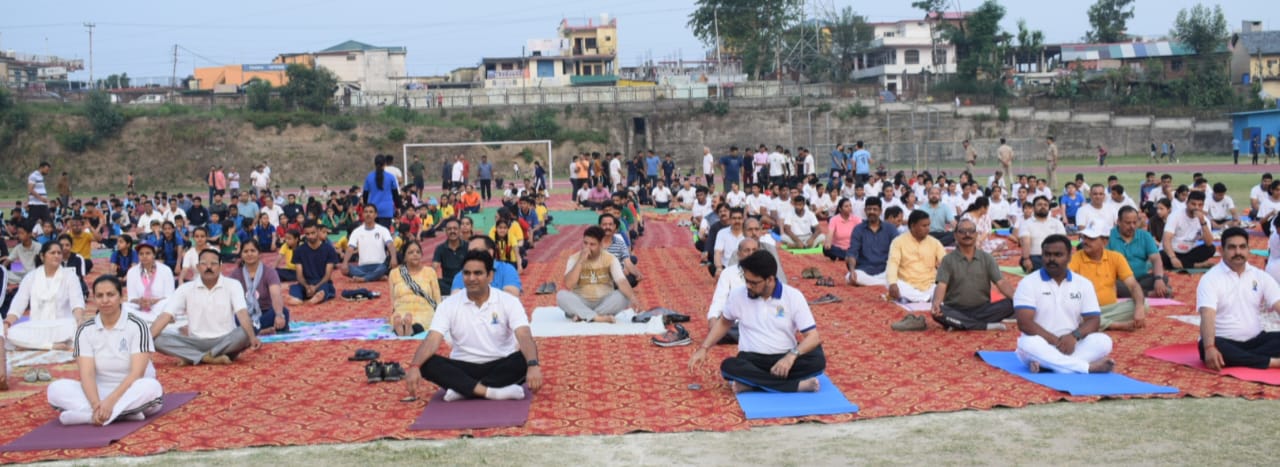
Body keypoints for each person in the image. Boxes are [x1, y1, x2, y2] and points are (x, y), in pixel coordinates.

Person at [403, 250, 543, 402]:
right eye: (467, 273)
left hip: (500, 365)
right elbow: (432, 339)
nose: (471, 278)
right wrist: (414, 366)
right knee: (427, 363)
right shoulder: (449, 304)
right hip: (463, 366)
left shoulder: (508, 301)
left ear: (490, 276)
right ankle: (492, 392)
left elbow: (523, 335)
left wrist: (533, 365)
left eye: (478, 273)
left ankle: (463, 389)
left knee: (528, 354)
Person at [689, 250, 824, 393]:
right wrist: (704, 348)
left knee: (818, 360)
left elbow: (813, 336)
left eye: (753, 282)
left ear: (770, 280)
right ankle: (795, 386)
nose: (748, 286)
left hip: (785, 357)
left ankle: (752, 384)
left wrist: (790, 357)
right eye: (746, 280)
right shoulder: (738, 295)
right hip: (752, 360)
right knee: (728, 366)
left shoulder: (793, 296)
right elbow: (724, 322)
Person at [46, 276, 164, 426]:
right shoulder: (85, 329)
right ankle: (119, 414)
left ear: (121, 297)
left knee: (151, 388)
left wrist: (110, 402)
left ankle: (88, 417)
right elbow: (86, 374)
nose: (105, 300)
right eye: (100, 296)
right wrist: (97, 404)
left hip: (132, 390)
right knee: (55, 389)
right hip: (99, 393)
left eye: (110, 294)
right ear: (94, 299)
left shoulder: (137, 326)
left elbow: (137, 373)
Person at [1013, 234, 1114, 373]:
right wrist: (1055, 341)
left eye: (1058, 255)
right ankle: (1085, 367)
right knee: (1026, 344)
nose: (1052, 259)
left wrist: (1074, 336)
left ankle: (1049, 365)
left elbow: (1094, 320)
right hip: (1041, 343)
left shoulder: (1083, 284)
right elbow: (1024, 323)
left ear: (1069, 257)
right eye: (1047, 255)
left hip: (1072, 344)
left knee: (1104, 341)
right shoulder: (1028, 283)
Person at [150, 249, 260, 365]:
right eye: (204, 264)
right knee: (156, 339)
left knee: (247, 331)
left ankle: (194, 357)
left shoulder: (233, 285)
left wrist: (252, 338)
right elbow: (166, 315)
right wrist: (145, 340)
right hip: (195, 341)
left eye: (213, 264)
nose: (208, 267)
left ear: (220, 266)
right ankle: (209, 357)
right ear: (197, 267)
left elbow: (242, 313)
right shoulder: (185, 288)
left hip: (225, 340)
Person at [1198, 227, 1280, 370]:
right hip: (1224, 341)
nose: (1238, 252)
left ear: (1248, 249)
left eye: (1242, 247)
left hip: (1256, 340)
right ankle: (1271, 362)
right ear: (1222, 251)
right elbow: (1207, 315)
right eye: (1232, 247)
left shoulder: (1259, 276)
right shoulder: (1210, 279)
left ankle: (1244, 358)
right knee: (1207, 347)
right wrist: (1210, 347)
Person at [918, 218, 1017, 332]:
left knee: (1011, 304)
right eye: (962, 231)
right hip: (956, 309)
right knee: (939, 312)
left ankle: (960, 323)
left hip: (983, 309)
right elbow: (941, 285)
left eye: (971, 231)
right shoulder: (948, 260)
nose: (967, 234)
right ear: (955, 235)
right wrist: (936, 303)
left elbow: (1001, 282)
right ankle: (984, 326)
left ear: (976, 235)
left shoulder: (987, 258)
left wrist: (1017, 299)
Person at [3, 242, 87, 350]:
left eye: (59, 253)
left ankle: (31, 345)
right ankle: (50, 346)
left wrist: (79, 319)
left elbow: (77, 302)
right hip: (37, 327)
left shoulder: (70, 276)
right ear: (42, 256)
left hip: (61, 326)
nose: (57, 255)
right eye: (52, 253)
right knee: (7, 334)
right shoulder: (31, 277)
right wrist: (7, 323)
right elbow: (18, 304)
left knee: (82, 331)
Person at [556, 226, 642, 323]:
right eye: (585, 243)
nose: (587, 247)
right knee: (561, 296)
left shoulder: (610, 258)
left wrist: (634, 299)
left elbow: (621, 281)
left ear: (601, 245)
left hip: (604, 301)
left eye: (592, 244)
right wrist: (580, 261)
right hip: (581, 300)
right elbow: (569, 284)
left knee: (624, 296)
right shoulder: (574, 258)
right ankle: (597, 318)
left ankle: (583, 315)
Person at [1071, 224, 1147, 332]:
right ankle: (1113, 325)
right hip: (1085, 311)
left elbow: (1133, 285)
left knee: (1143, 304)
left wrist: (1139, 308)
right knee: (1072, 316)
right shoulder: (1075, 259)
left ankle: (1099, 323)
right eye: (1085, 237)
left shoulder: (1116, 257)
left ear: (1104, 242)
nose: (1086, 241)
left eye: (1091, 238)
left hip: (1109, 309)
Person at [227, 239, 290, 335]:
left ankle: (251, 332)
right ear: (241, 255)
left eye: (253, 251)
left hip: (266, 312)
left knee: (283, 312)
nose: (249, 254)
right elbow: (229, 297)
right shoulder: (236, 274)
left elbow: (276, 295)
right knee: (234, 318)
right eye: (246, 251)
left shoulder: (269, 272)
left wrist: (278, 315)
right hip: (245, 314)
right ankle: (259, 331)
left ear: (259, 254)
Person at [1109, 206, 1171, 299]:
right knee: (1112, 285)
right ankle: (1149, 294)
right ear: (1118, 222)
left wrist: (1158, 279)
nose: (1132, 226)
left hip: (1141, 279)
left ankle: (1147, 291)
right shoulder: (1108, 236)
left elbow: (1156, 259)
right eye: (1128, 223)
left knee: (1163, 278)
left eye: (1135, 222)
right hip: (1120, 280)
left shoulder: (1144, 235)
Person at [887, 211, 946, 306]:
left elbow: (945, 263)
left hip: (929, 285)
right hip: (907, 284)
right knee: (891, 283)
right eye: (924, 226)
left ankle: (917, 298)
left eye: (928, 225)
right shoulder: (898, 242)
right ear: (913, 226)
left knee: (949, 286)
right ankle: (927, 299)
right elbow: (893, 263)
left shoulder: (935, 242)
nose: (928, 229)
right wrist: (893, 284)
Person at [389, 241, 441, 337]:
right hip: (402, 307)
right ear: (404, 256)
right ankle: (401, 328)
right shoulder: (394, 273)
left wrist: (439, 314)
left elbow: (437, 297)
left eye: (418, 252)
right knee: (399, 318)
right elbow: (392, 299)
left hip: (424, 308)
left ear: (421, 255)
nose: (415, 255)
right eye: (411, 252)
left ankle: (409, 329)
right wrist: (392, 312)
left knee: (420, 321)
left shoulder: (430, 272)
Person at [845, 197, 897, 286]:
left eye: (875, 209)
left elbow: (898, 250)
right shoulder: (858, 229)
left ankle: (878, 282)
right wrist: (853, 270)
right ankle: (884, 283)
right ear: (865, 210)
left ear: (880, 211)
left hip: (885, 271)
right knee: (849, 276)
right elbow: (852, 252)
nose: (872, 212)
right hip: (865, 270)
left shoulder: (890, 228)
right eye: (869, 209)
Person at [287, 222, 340, 306]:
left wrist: (315, 287)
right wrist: (307, 286)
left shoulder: (329, 249)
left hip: (322, 282)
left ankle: (317, 296)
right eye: (307, 234)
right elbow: (299, 276)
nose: (310, 236)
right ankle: (298, 298)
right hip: (305, 283)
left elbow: (327, 275)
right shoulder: (299, 251)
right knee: (295, 288)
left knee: (326, 288)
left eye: (313, 233)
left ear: (318, 231)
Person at [450, 235, 522, 296]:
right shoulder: (462, 274)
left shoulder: (507, 270)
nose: (472, 255)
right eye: (469, 252)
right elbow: (455, 299)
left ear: (490, 252)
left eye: (476, 251)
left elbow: (511, 295)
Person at [1161, 191, 1215, 271]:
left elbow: (1209, 242)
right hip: (1173, 251)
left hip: (1189, 252)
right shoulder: (1175, 216)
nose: (1196, 207)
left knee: (1211, 249)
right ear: (1187, 203)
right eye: (1193, 204)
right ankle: (1196, 265)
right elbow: (1166, 240)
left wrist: (1202, 222)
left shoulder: (1204, 220)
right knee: (1162, 256)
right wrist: (1173, 257)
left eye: (1200, 205)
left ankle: (1183, 264)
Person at [122, 243, 176, 323]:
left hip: (159, 305)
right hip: (140, 307)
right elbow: (131, 298)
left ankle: (143, 319)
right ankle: (160, 320)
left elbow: (169, 296)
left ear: (154, 255)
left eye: (148, 253)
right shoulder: (131, 272)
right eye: (141, 254)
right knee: (123, 307)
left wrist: (153, 301)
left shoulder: (165, 270)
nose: (144, 256)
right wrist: (139, 302)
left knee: (168, 303)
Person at [342, 205, 396, 283]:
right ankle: (375, 277)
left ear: (376, 215)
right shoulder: (356, 231)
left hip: (380, 265)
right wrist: (344, 262)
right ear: (363, 214)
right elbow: (350, 248)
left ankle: (364, 278)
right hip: (362, 267)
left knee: (387, 265)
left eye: (371, 212)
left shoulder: (383, 230)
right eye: (366, 212)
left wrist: (394, 258)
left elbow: (390, 244)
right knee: (346, 268)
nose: (368, 214)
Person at [1018, 196, 1066, 272]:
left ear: (1049, 208)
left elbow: (1063, 242)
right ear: (1033, 208)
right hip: (1035, 256)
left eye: (1045, 205)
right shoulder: (1026, 224)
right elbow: (1025, 241)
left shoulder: (1057, 223)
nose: (1043, 207)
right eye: (1039, 205)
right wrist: (1026, 259)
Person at [363, 155, 401, 228]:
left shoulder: (369, 177)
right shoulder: (391, 177)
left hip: (372, 209)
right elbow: (395, 194)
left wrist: (365, 207)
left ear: (375, 164)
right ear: (385, 164)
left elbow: (365, 194)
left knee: (372, 233)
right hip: (386, 209)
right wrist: (398, 207)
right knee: (384, 234)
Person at [432, 219, 468, 295]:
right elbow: (434, 266)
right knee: (435, 283)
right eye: (449, 229)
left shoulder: (468, 246)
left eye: (455, 229)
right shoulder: (440, 248)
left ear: (459, 230)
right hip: (447, 283)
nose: (452, 231)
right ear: (446, 231)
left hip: (465, 281)